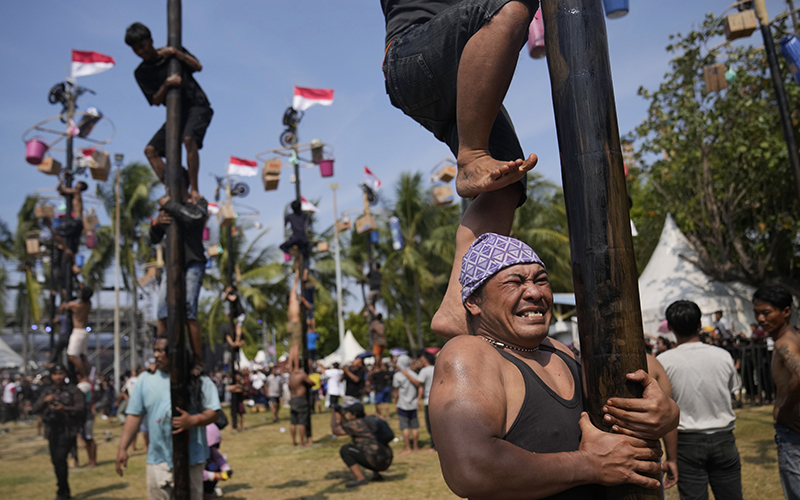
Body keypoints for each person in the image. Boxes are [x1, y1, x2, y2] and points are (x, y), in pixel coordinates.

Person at [431, 233, 679, 499]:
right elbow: (470, 469)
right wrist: (590, 465)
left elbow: (616, 409)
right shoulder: (468, 353)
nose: (535, 292)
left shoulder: (556, 350)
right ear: (474, 301)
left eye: (541, 280)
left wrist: (665, 413)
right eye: (514, 282)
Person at [116, 336, 222, 500]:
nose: (156, 355)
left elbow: (215, 411)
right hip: (158, 460)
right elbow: (134, 415)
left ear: (176, 353)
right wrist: (122, 448)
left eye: (161, 351)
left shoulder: (198, 379)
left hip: (192, 459)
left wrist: (193, 420)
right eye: (155, 350)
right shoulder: (146, 379)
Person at [658, 300, 743, 500]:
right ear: (699, 324)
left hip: (687, 441)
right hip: (724, 437)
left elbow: (666, 409)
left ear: (670, 327)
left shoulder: (664, 361)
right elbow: (732, 389)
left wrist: (671, 456)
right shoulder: (723, 356)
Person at [124, 22, 213, 200]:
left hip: (197, 105)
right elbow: (155, 100)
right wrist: (167, 84)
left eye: (142, 46)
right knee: (150, 151)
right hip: (176, 115)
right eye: (136, 49)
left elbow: (198, 66)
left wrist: (176, 54)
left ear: (150, 40)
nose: (141, 52)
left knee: (189, 139)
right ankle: (176, 188)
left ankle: (194, 189)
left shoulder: (172, 52)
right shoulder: (141, 72)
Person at [149, 169, 209, 376]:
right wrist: (156, 224)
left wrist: (170, 205)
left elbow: (194, 218)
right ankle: (159, 355)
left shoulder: (198, 203)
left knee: (189, 310)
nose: (166, 189)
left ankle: (198, 360)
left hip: (193, 262)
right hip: (171, 265)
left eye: (169, 184)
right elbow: (153, 237)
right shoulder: (166, 208)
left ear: (181, 184)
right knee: (161, 311)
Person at [753, 285, 800, 500]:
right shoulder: (792, 339)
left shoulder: (785, 343)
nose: (761, 319)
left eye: (766, 312)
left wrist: (785, 410)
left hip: (791, 433)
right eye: (757, 313)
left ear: (786, 312)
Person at [32, 365, 85, 500]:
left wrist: (64, 408)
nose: (58, 377)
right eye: (55, 374)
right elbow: (35, 408)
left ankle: (62, 491)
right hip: (52, 430)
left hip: (67, 430)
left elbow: (80, 407)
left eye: (61, 373)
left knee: (61, 459)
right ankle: (64, 488)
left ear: (66, 375)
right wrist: (45, 401)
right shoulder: (47, 391)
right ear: (51, 376)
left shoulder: (73, 390)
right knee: (56, 461)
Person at [331, 401, 393, 488]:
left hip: (375, 461)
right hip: (386, 459)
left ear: (354, 415)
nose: (349, 415)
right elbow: (347, 426)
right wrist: (341, 414)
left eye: (350, 413)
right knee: (369, 447)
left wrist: (333, 414)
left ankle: (360, 479)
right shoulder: (369, 420)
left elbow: (336, 431)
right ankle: (376, 475)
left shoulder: (358, 424)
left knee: (346, 450)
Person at [60, 285, 93, 383]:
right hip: (84, 331)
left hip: (77, 331)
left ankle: (84, 376)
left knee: (72, 356)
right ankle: (87, 374)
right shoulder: (88, 305)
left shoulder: (75, 306)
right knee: (83, 356)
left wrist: (68, 297)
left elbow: (63, 307)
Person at [392, 354, 420, 454]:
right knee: (414, 427)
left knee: (404, 427)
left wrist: (396, 402)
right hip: (413, 403)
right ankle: (416, 447)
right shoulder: (413, 374)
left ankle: (407, 447)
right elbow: (418, 384)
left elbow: (396, 392)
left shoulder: (397, 376)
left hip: (403, 404)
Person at [54, 179, 88, 254]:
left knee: (57, 231)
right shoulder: (75, 195)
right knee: (73, 246)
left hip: (76, 221)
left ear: (79, 186)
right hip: (79, 223)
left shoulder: (76, 192)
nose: (76, 184)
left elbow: (61, 189)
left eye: (77, 183)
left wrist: (62, 180)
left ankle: (62, 245)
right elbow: (60, 191)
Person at [288, 368, 314, 447]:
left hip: (293, 399)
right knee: (302, 422)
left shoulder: (291, 376)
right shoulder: (301, 375)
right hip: (300, 399)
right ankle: (302, 442)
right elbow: (312, 383)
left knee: (293, 422)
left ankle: (294, 442)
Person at [279, 200, 309, 266]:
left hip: (295, 238)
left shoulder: (289, 216)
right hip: (303, 238)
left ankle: (294, 254)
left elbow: (285, 224)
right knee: (306, 256)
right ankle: (306, 271)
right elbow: (308, 222)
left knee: (282, 246)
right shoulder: (304, 215)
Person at [287, 266, 303, 372]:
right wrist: (297, 270)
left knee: (292, 347)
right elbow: (296, 283)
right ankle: (296, 367)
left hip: (290, 324)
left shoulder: (289, 306)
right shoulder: (293, 298)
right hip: (296, 324)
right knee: (296, 347)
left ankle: (291, 367)